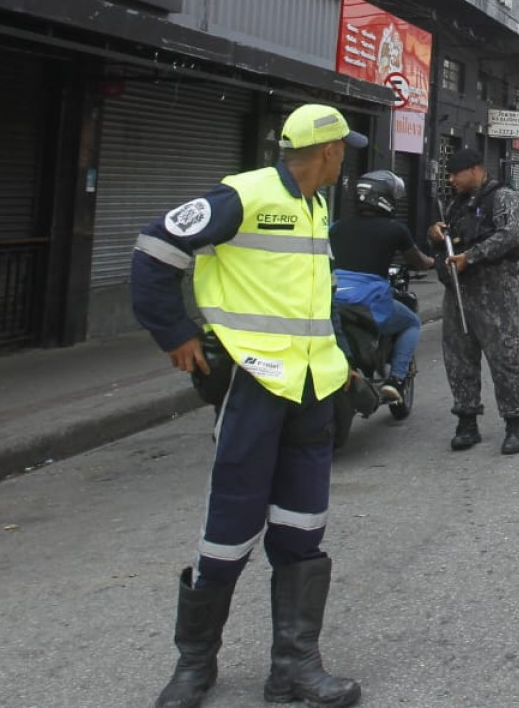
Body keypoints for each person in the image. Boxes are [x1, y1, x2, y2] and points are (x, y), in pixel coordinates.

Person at [131, 103, 367, 708]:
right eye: (344, 148)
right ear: (328, 151)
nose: (345, 158)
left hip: (312, 392)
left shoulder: (316, 206)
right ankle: (194, 665)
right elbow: (155, 247)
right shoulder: (244, 194)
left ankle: (295, 667)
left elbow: (310, 300)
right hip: (254, 387)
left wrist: (341, 362)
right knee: (229, 529)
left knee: (301, 526)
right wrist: (174, 333)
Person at [428, 148, 519, 455]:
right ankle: (466, 421)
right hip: (459, 293)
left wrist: (470, 257)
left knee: (504, 359)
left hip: (494, 295)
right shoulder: (456, 204)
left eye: (455, 173)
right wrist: (435, 234)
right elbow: (447, 238)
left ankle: (515, 423)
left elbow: (513, 233)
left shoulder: (503, 198)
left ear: (475, 170)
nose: (451, 179)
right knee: (459, 361)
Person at [329, 169, 433, 407]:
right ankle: (396, 380)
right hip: (369, 302)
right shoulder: (395, 229)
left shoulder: (336, 227)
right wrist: (433, 262)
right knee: (412, 323)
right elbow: (418, 260)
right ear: (385, 199)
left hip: (335, 300)